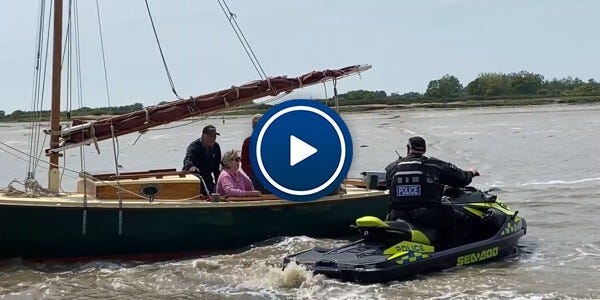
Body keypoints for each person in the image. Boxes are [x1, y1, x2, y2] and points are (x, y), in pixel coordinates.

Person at [385, 136, 479, 247]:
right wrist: (471, 172)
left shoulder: (392, 167)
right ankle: (451, 251)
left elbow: (389, 185)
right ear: (424, 150)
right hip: (427, 215)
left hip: (397, 215)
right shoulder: (433, 165)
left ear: (407, 148)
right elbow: (462, 179)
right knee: (464, 218)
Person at [182, 125, 222, 195]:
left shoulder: (216, 147)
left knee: (215, 192)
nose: (213, 139)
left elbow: (216, 169)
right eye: (210, 136)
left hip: (208, 179)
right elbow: (188, 159)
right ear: (203, 135)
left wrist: (219, 187)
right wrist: (191, 166)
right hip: (195, 179)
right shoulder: (194, 147)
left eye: (215, 136)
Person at [241, 114, 266, 192]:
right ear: (253, 128)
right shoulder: (248, 142)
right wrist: (251, 175)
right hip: (255, 175)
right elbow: (244, 164)